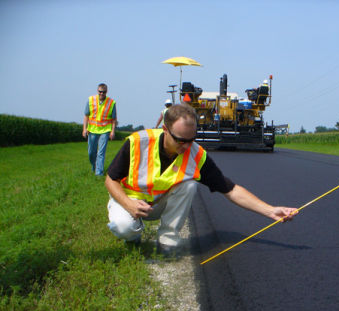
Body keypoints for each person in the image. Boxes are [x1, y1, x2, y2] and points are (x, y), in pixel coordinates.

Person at [105, 104, 298, 256]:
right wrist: (129, 204)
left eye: (192, 139)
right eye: (181, 140)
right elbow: (110, 179)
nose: (187, 146)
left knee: (189, 185)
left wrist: (271, 210)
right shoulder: (138, 142)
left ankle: (167, 241)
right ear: (165, 129)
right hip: (128, 201)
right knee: (123, 228)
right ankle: (133, 235)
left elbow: (229, 189)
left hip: (158, 205)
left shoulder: (196, 155)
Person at [82, 83, 117, 176]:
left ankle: (99, 173)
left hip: (105, 131)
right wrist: (84, 129)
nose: (101, 93)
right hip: (92, 130)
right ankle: (94, 166)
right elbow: (86, 116)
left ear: (106, 92)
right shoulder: (91, 100)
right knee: (91, 152)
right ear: (97, 91)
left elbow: (114, 119)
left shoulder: (111, 102)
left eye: (103, 92)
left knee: (101, 152)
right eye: (100, 92)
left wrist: (113, 131)